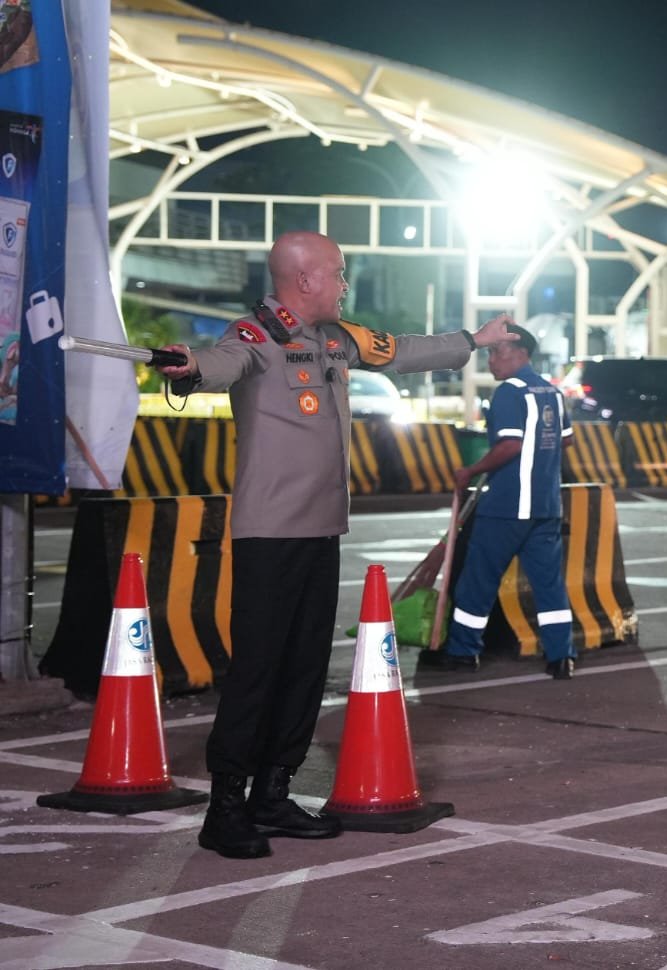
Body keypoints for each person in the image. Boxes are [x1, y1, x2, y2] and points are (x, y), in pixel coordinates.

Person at [155, 230, 516, 859]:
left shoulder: (336, 338)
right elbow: (216, 365)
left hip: (323, 528)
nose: (345, 283)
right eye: (339, 273)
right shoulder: (256, 335)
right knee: (258, 671)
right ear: (306, 278)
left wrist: (473, 342)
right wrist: (186, 368)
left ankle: (274, 794)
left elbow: (400, 350)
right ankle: (225, 807)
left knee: (303, 669)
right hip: (270, 533)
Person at [423, 325, 576, 678]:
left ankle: (463, 652)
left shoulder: (509, 392)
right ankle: (561, 657)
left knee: (477, 582)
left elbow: (511, 444)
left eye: (497, 353)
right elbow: (565, 440)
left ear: (521, 352)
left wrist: (471, 471)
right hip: (546, 508)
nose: (491, 361)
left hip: (506, 508)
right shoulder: (551, 392)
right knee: (549, 586)